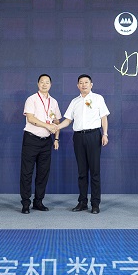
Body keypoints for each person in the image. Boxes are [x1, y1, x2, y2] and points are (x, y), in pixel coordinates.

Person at [56, 74, 109, 214]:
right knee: (81, 171)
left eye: (86, 82)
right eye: (81, 82)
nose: (83, 85)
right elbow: (68, 120)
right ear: (77, 85)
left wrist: (105, 134)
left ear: (91, 84)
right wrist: (57, 127)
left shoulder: (98, 98)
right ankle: (82, 202)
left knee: (95, 171)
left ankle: (95, 204)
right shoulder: (75, 101)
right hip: (78, 137)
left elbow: (104, 117)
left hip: (93, 136)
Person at [19, 74, 62, 214]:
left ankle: (38, 202)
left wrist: (56, 138)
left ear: (51, 85)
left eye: (47, 82)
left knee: (43, 173)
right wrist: (47, 126)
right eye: (42, 82)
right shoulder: (31, 99)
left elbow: (57, 122)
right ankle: (26, 203)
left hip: (46, 142)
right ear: (38, 84)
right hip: (31, 139)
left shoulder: (53, 102)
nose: (44, 84)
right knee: (27, 172)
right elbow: (31, 119)